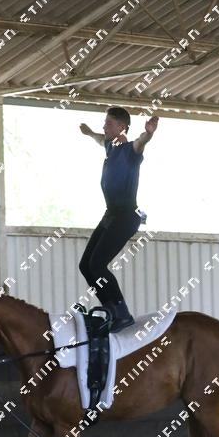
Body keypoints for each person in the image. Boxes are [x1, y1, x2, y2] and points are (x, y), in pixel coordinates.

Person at [78, 107, 158, 332]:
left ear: (122, 127)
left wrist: (148, 133)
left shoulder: (130, 151)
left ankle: (122, 313)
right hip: (110, 214)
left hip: (126, 216)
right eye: (105, 123)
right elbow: (100, 139)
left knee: (97, 265)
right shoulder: (110, 146)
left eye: (109, 123)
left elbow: (141, 142)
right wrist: (89, 132)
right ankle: (111, 310)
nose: (105, 126)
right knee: (86, 265)